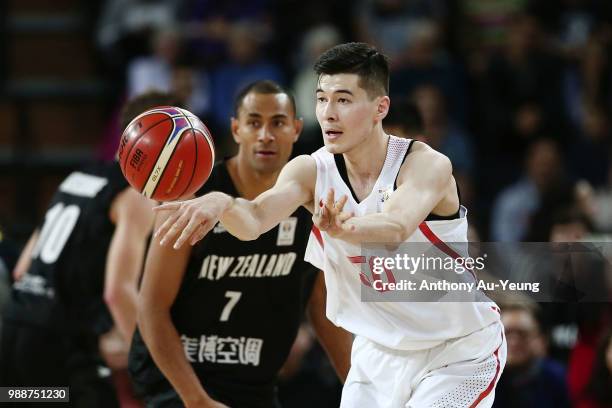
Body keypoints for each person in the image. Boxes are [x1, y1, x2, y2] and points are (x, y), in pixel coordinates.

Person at [154, 43, 507, 407]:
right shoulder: (310, 170)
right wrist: (223, 203)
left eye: (343, 100)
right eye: (322, 99)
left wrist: (345, 230)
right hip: (378, 354)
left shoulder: (425, 164)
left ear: (379, 108)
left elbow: (397, 226)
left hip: (457, 351)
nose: (328, 113)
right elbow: (256, 219)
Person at [130, 80, 352, 408]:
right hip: (179, 383)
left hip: (254, 384)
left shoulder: (310, 202)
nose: (265, 134)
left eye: (277, 122)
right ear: (236, 129)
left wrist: (366, 389)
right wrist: (195, 399)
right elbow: (151, 307)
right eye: (253, 123)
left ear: (296, 129)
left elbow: (320, 306)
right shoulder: (195, 197)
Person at [0, 92, 176, 406]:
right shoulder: (138, 195)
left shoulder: (78, 177)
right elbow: (118, 292)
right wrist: (160, 364)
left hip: (13, 330)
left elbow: (22, 268)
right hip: (59, 347)